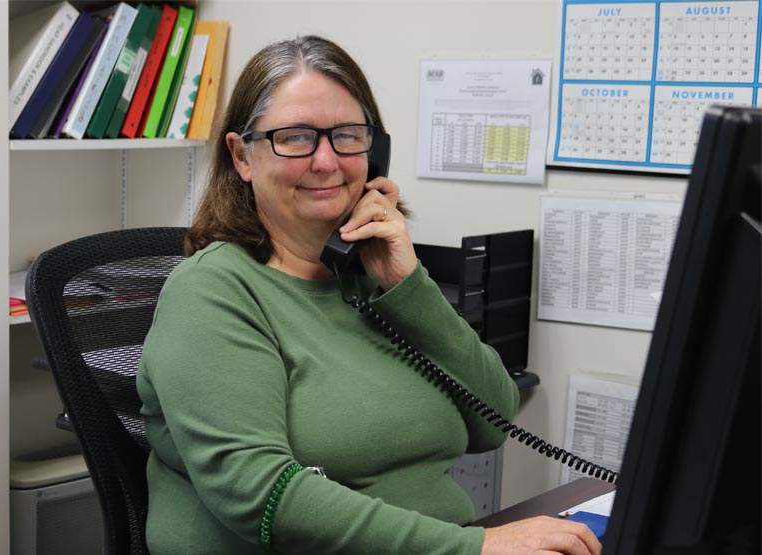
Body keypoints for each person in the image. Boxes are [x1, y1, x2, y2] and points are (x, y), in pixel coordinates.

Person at [137, 35, 601, 555]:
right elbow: (259, 494)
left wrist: (408, 286)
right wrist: (473, 549)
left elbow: (493, 418)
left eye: (347, 136)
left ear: (374, 153)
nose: (326, 160)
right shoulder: (212, 293)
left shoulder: (370, 282)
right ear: (242, 156)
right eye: (295, 137)